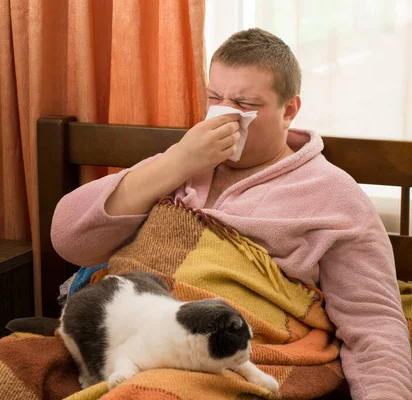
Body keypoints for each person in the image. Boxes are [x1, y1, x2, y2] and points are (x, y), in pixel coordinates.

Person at [51, 28, 412, 399]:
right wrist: (175, 163)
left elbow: (374, 323)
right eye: (214, 98)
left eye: (244, 104)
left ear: (288, 110)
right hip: (122, 340)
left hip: (228, 357)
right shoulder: (181, 162)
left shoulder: (334, 197)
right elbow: (69, 239)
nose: (224, 114)